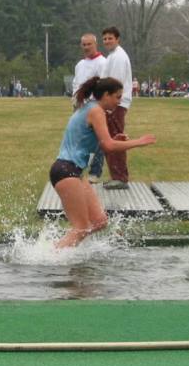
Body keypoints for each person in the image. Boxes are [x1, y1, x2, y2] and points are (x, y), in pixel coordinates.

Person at [49, 76, 156, 248]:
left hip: (74, 172)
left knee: (99, 222)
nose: (119, 101)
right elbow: (109, 146)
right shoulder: (96, 111)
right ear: (106, 95)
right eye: (117, 97)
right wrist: (139, 142)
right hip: (65, 170)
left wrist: (114, 139)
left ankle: (65, 249)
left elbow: (98, 142)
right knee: (81, 228)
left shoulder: (90, 108)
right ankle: (51, 259)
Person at [99, 26, 133, 190]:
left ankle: (120, 177)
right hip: (111, 103)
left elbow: (116, 84)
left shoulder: (119, 57)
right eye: (104, 39)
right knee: (109, 139)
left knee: (115, 139)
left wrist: (111, 105)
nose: (107, 41)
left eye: (110, 38)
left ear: (117, 39)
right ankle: (116, 176)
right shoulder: (112, 56)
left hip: (115, 104)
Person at [71, 33, 106, 183]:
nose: (86, 47)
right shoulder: (79, 65)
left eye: (89, 44)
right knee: (80, 138)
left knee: (98, 139)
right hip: (79, 106)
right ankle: (78, 169)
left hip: (94, 105)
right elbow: (76, 84)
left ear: (95, 44)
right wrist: (75, 100)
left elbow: (103, 85)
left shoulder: (103, 63)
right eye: (83, 44)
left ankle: (95, 173)